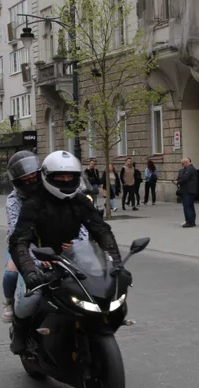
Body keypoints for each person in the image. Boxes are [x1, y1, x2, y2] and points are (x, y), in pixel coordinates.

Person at [8, 151, 122, 354]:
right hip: (41, 258)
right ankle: (20, 333)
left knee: (100, 291)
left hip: (73, 256)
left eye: (70, 176)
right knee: (27, 302)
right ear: (48, 176)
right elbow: (18, 241)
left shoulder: (81, 201)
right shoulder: (32, 204)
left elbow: (101, 230)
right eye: (60, 176)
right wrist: (30, 270)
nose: (65, 180)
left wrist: (116, 263)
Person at [176, 157, 198, 228]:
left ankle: (190, 222)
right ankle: (191, 221)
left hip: (188, 191)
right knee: (189, 206)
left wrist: (178, 181)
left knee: (187, 206)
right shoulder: (187, 169)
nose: (182, 165)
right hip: (187, 190)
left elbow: (184, 178)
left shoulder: (190, 168)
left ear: (186, 162)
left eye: (183, 163)